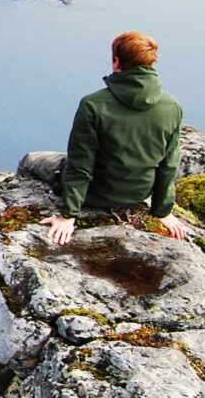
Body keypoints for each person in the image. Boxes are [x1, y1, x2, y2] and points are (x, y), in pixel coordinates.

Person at [30, 31, 189, 245]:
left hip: (95, 194)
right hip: (137, 195)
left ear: (116, 62)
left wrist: (68, 215)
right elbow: (169, 164)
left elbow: (80, 164)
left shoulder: (93, 105)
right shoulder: (172, 107)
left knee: (31, 159)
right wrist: (162, 211)